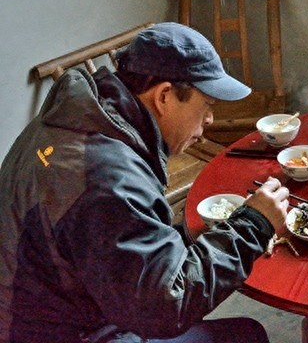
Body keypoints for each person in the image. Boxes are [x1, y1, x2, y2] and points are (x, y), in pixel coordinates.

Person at [0, 23, 289, 343]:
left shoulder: (82, 119)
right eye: (207, 105)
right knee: (247, 336)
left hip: (63, 308)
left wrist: (199, 236)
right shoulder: (108, 178)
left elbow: (117, 245)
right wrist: (252, 226)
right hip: (62, 333)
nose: (209, 120)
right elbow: (166, 308)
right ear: (165, 96)